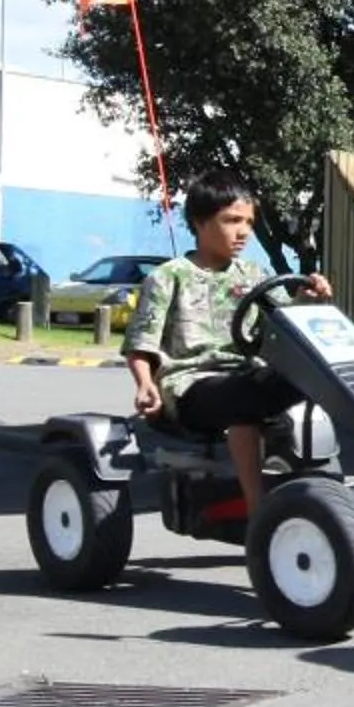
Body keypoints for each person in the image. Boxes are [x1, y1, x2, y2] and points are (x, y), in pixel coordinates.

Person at [124, 176, 333, 528]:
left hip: (247, 376)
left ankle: (329, 490)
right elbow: (141, 343)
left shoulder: (254, 274)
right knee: (243, 401)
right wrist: (145, 384)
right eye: (232, 220)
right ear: (200, 222)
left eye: (249, 222)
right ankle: (259, 515)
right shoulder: (168, 277)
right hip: (190, 385)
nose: (244, 232)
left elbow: (282, 321)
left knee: (318, 376)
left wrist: (306, 299)